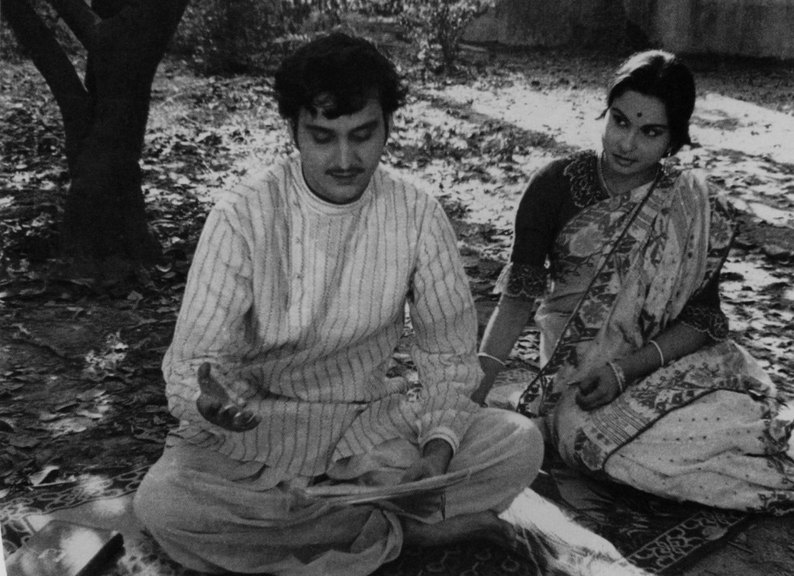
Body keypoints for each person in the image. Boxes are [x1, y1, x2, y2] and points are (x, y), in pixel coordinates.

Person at [132, 32, 558, 576]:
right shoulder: (241, 215)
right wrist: (211, 402)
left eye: (362, 135)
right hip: (259, 432)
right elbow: (195, 363)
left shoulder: (417, 214)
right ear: (293, 130)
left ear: (387, 127)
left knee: (519, 443)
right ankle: (402, 529)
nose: (344, 159)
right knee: (166, 504)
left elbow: (449, 359)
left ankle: (326, 529)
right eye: (322, 136)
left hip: (370, 427)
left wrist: (435, 455)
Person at [473, 50, 794, 514]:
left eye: (650, 132)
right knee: (593, 443)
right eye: (619, 121)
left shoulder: (689, 205)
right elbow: (516, 301)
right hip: (578, 376)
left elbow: (701, 321)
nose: (627, 143)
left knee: (735, 419)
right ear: (605, 113)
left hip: (662, 361)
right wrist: (471, 397)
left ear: (674, 139)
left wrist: (626, 371)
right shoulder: (554, 186)